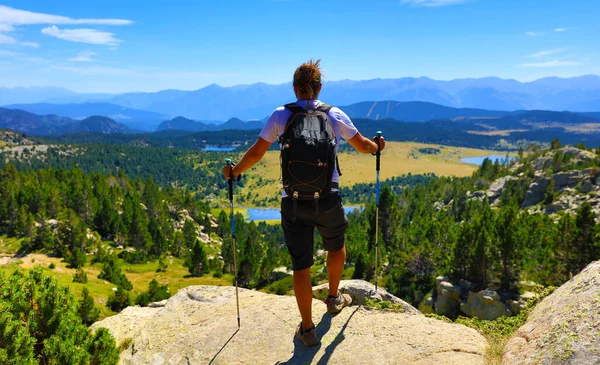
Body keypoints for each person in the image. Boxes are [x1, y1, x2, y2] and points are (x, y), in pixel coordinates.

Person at [223, 59, 385, 347]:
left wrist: (234, 171)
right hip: (328, 199)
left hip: (293, 202)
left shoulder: (280, 115)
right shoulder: (333, 114)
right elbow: (362, 145)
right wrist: (377, 146)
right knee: (336, 246)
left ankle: (308, 329)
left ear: (295, 88)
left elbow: (257, 152)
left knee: (301, 266)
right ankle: (334, 299)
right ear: (319, 87)